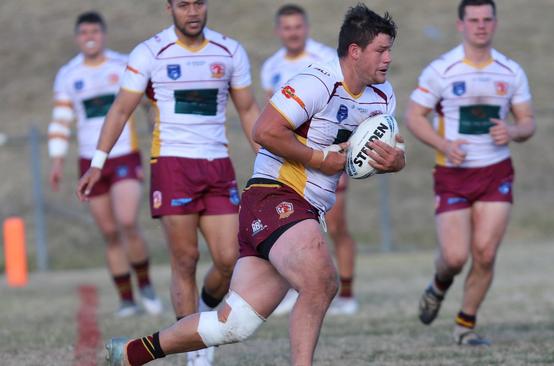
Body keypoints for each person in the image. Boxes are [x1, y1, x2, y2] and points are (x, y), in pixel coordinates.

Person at [104, 4, 403, 365]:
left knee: (233, 325)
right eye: (380, 50)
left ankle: (129, 353)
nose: (388, 58)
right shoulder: (317, 82)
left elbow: (384, 150)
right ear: (355, 51)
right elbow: (264, 130)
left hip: (303, 209)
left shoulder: (383, 96)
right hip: (276, 196)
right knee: (321, 282)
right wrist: (320, 159)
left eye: (389, 50)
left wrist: (394, 162)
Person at [76, 0, 260, 364]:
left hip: (218, 165)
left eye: (198, 4)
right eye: (183, 5)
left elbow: (248, 109)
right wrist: (98, 161)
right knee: (185, 258)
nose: (192, 12)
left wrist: (269, 157)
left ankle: (203, 317)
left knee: (229, 259)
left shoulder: (230, 50)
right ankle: (194, 348)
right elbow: (121, 109)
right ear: (169, 8)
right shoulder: (150, 52)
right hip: (173, 165)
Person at [405, 0, 536, 346]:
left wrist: (513, 131)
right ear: (460, 25)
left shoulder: (511, 72)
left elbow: (528, 122)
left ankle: (465, 325)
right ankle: (438, 284)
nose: (481, 25)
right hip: (453, 174)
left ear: (495, 23)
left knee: (486, 252)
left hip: (495, 172)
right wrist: (443, 144)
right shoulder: (441, 71)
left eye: (487, 19)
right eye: (474, 20)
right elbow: (414, 117)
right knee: (454, 257)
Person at [49, 11, 162, 318]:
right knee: (110, 232)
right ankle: (126, 299)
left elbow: (149, 99)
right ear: (77, 37)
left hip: (124, 155)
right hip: (89, 160)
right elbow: (61, 120)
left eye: (95, 31)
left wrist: (155, 118)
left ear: (103, 34)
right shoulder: (68, 74)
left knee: (127, 221)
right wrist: (57, 160)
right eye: (84, 32)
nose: (90, 37)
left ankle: (147, 285)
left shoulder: (122, 64)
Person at [260, 4, 358, 316]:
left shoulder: (326, 59)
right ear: (278, 31)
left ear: (306, 28)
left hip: (328, 156)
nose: (293, 32)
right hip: (290, 163)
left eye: (297, 26)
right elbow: (272, 117)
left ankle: (347, 294)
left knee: (338, 224)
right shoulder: (271, 67)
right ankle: (294, 288)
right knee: (290, 226)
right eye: (287, 27)